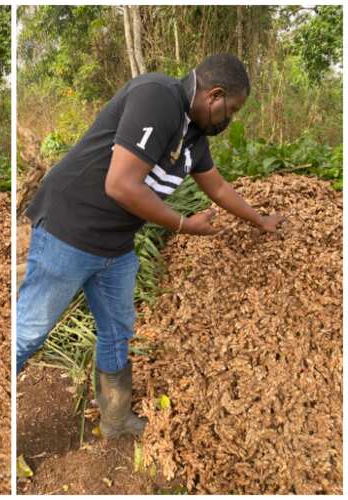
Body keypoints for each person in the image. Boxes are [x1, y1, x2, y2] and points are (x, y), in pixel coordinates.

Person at [16, 54, 284, 440]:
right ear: (215, 95)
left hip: (116, 246)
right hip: (69, 232)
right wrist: (182, 224)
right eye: (232, 109)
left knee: (117, 331)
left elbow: (218, 187)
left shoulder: (193, 137)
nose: (231, 119)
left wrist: (261, 220)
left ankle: (115, 419)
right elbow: (121, 185)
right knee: (29, 332)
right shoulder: (157, 96)